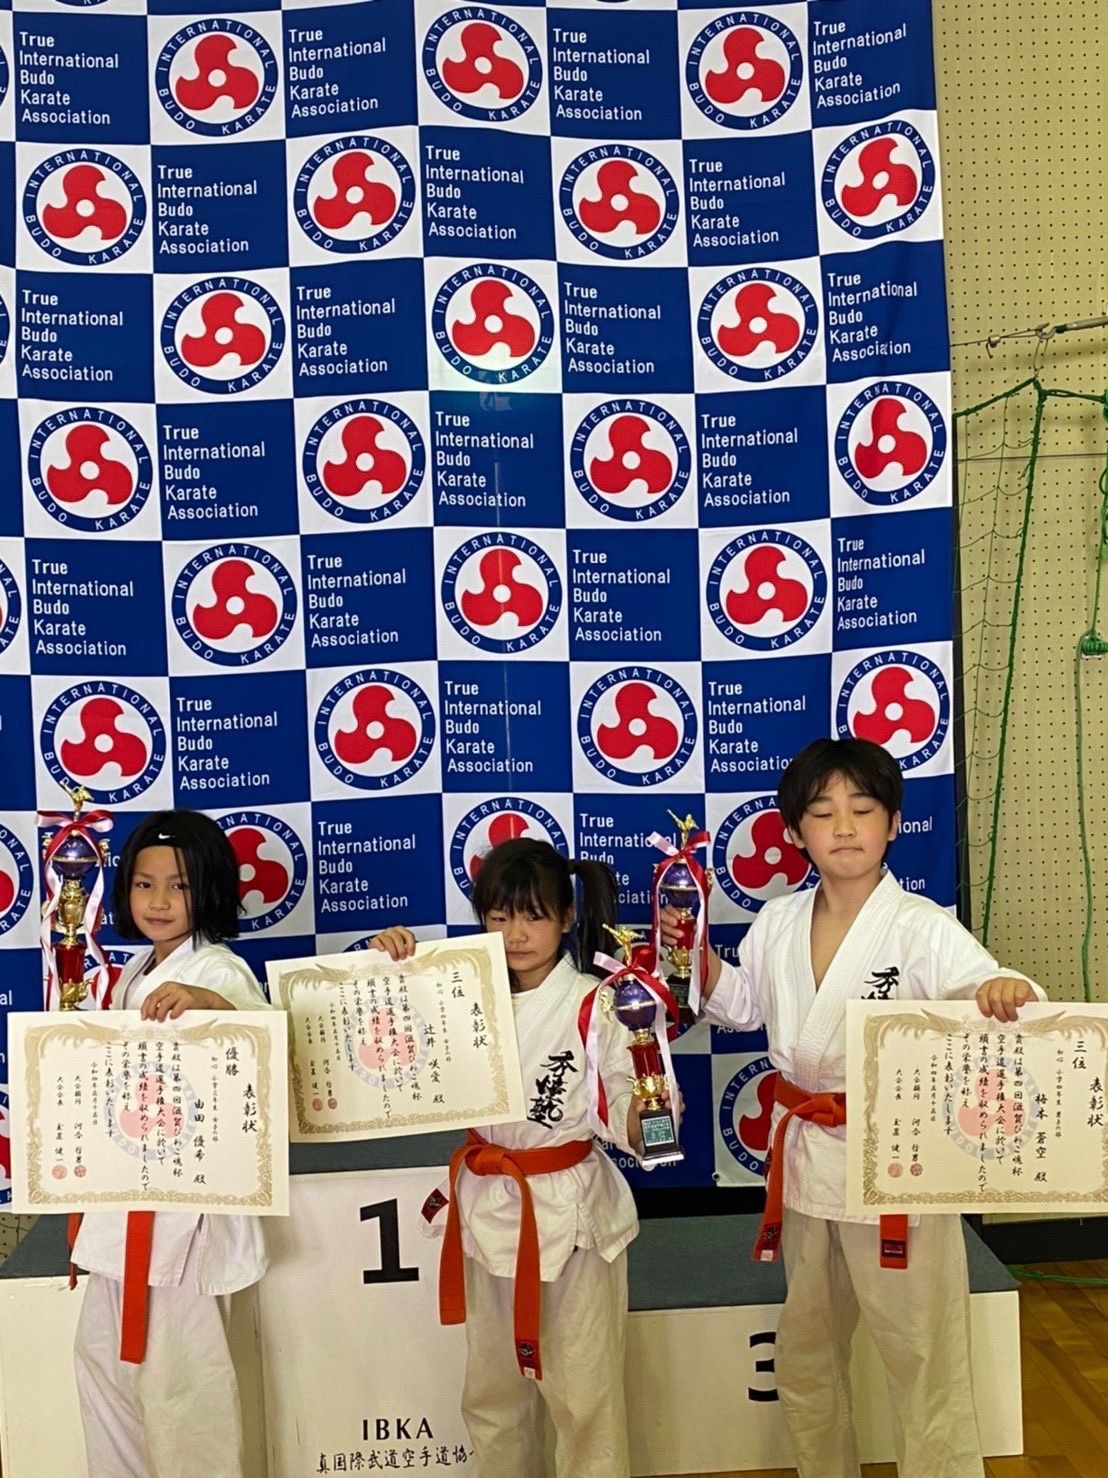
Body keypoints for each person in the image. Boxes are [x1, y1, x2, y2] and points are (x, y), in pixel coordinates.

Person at [662, 738, 1042, 1478]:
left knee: (924, 1362)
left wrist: (1003, 990)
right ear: (795, 830)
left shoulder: (921, 926)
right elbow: (741, 1006)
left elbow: (987, 990)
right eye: (823, 811)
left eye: (862, 809)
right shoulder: (778, 921)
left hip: (897, 1163)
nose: (843, 826)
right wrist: (696, 958)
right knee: (806, 1357)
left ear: (893, 824)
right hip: (806, 1166)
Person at [371, 837, 664, 1478]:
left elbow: (631, 1109)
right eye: (499, 916)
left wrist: (651, 1108)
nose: (515, 935)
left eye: (534, 916)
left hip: (570, 1216)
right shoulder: (458, 993)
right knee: (492, 1397)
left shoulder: (600, 1002)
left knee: (585, 1402)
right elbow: (379, 1041)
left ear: (567, 917)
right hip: (487, 1207)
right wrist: (387, 968)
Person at [71, 810, 269, 1478]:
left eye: (178, 886)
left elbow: (262, 1043)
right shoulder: (134, 970)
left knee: (183, 1390)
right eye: (144, 884)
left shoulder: (219, 970)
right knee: (105, 1370)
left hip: (184, 1217)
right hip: (124, 1205)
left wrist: (207, 1001)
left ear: (209, 889)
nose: (158, 901)